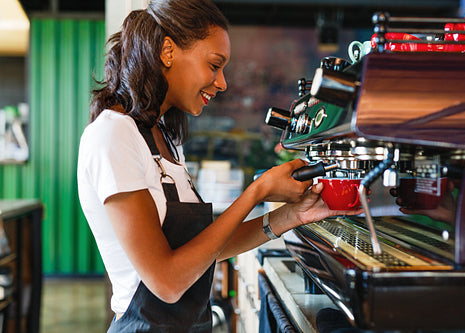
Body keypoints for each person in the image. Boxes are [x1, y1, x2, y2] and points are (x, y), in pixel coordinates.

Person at [77, 0, 363, 331]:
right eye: (215, 65)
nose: (222, 82)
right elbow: (167, 281)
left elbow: (199, 253)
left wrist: (291, 216)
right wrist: (257, 191)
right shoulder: (113, 134)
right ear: (167, 51)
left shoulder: (165, 140)